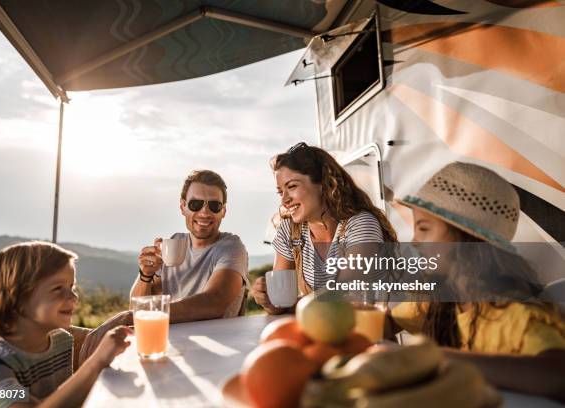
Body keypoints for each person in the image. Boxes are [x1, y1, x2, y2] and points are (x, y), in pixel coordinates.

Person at [388, 161, 565, 401]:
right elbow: (387, 321)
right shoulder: (438, 302)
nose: (415, 241)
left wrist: (438, 358)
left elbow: (556, 376)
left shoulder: (513, 315)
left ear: (466, 239)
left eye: (424, 228)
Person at [0, 242, 131, 408]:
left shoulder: (61, 341)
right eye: (58, 288)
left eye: (72, 287)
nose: (73, 297)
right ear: (17, 299)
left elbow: (67, 398)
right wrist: (96, 363)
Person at [252, 142, 398, 314]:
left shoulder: (360, 224)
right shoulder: (289, 231)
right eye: (280, 191)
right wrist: (269, 299)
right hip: (319, 333)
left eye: (292, 187)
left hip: (365, 335)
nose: (284, 200)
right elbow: (281, 303)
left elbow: (348, 296)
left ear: (322, 184)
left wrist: (292, 305)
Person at [132, 169, 249, 322]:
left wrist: (147, 313)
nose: (205, 212)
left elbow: (214, 303)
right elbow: (137, 309)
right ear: (182, 207)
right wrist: (146, 275)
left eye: (214, 206)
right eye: (196, 204)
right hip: (169, 341)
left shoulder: (231, 247)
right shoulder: (173, 243)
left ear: (223, 211)